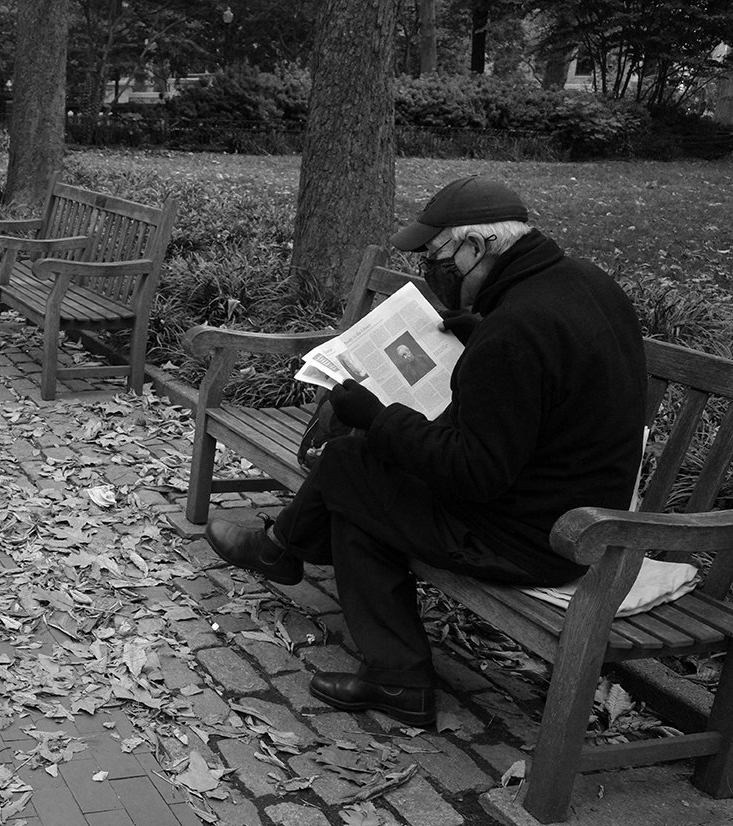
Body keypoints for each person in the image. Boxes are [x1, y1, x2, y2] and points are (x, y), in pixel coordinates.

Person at [204, 176, 647, 727]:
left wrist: (376, 416)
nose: (429, 271)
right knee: (363, 475)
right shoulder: (581, 283)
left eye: (435, 256)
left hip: (538, 538)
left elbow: (473, 474)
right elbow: (542, 384)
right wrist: (476, 335)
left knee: (351, 466)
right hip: (575, 509)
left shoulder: (516, 331)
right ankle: (306, 573)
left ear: (478, 246)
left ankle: (293, 558)